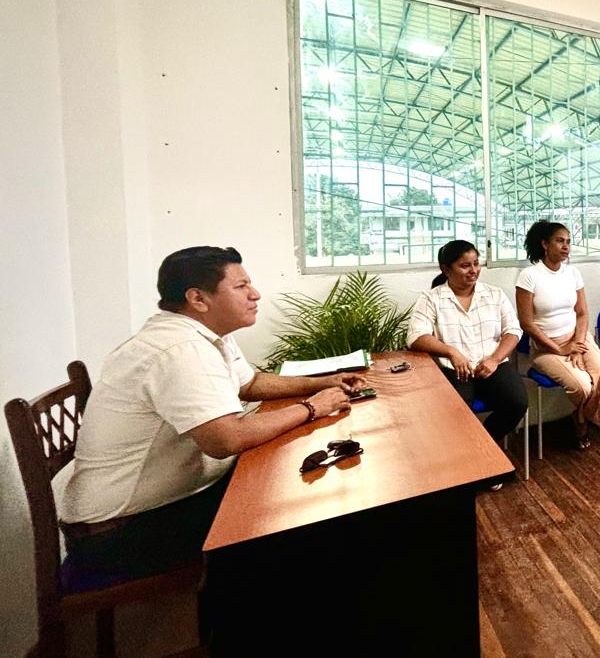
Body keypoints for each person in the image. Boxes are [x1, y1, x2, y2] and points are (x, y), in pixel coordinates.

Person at [57, 246, 364, 578]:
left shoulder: (203, 333)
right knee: (303, 519)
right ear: (198, 299)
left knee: (289, 487)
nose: (255, 294)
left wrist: (322, 382)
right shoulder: (179, 350)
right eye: (241, 286)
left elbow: (250, 383)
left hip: (165, 504)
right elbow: (226, 440)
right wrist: (312, 407)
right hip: (121, 533)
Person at [407, 240, 527, 452]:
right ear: (446, 269)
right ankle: (466, 457)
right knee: (456, 414)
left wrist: (495, 359)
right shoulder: (432, 298)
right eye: (465, 266)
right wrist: (451, 351)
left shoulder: (494, 294)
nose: (473, 270)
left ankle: (484, 450)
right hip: (453, 370)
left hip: (492, 366)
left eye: (476, 264)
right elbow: (416, 336)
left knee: (516, 403)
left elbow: (513, 330)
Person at [515, 220, 600, 449]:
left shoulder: (573, 273)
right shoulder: (529, 276)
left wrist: (577, 346)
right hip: (546, 346)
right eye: (560, 241)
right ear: (545, 244)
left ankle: (579, 415)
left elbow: (582, 313)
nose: (566, 246)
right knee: (582, 386)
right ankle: (582, 422)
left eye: (568, 241)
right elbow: (526, 323)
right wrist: (560, 349)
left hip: (578, 338)